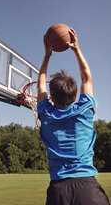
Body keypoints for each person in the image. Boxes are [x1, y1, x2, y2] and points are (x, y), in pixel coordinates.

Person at [37, 28, 110, 205]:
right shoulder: (84, 110)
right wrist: (76, 48)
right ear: (76, 94)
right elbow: (86, 77)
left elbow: (40, 83)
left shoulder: (46, 114)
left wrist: (47, 55)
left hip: (58, 189)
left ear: (51, 97)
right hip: (87, 187)